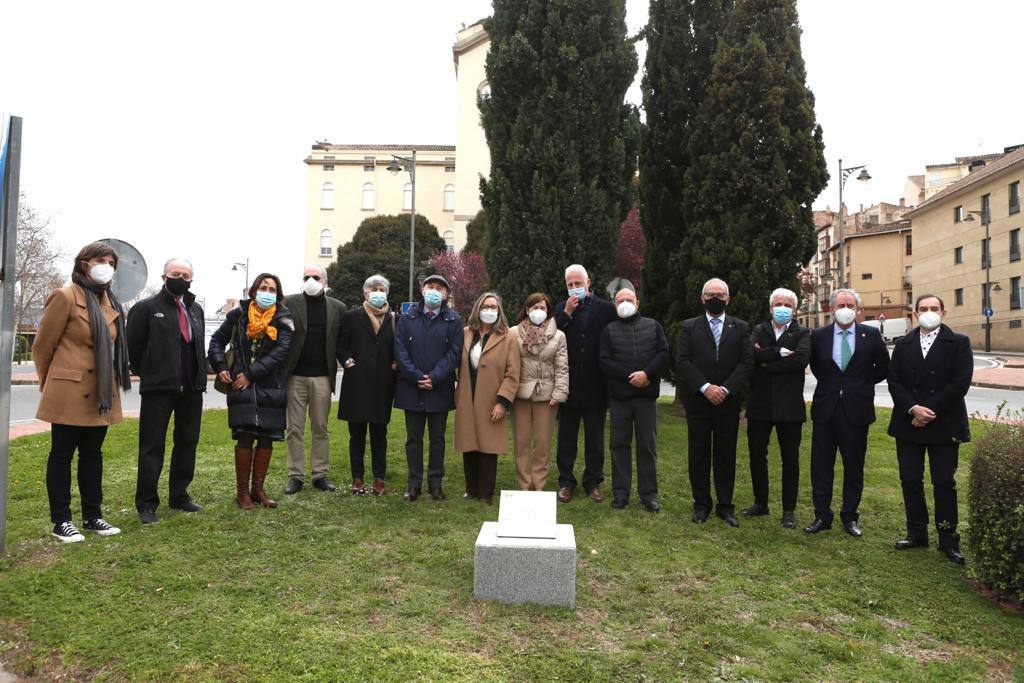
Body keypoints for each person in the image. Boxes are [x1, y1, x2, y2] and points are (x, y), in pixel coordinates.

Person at [33, 241, 131, 542]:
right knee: (61, 455)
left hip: (100, 392)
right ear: (83, 263)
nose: (107, 267)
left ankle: (93, 516)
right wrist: (50, 384)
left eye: (111, 263)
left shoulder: (110, 303)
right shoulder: (64, 297)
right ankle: (61, 520)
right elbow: (41, 347)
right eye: (101, 260)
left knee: (93, 454)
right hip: (68, 390)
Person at [887, 294, 972, 564]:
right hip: (908, 422)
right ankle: (916, 533)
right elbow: (894, 381)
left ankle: (948, 539)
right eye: (923, 308)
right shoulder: (903, 344)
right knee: (910, 479)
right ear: (915, 313)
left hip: (944, 422)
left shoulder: (958, 343)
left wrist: (927, 412)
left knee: (944, 482)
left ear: (944, 313)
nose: (929, 312)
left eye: (934, 308)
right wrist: (913, 409)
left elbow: (959, 383)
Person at [127, 258, 207, 525]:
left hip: (192, 388)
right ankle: (147, 504)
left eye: (186, 274)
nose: (181, 278)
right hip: (158, 389)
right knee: (152, 446)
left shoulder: (195, 309)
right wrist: (150, 372)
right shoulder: (146, 308)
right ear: (164, 277)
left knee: (187, 443)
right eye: (176, 273)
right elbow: (134, 348)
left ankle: (179, 496)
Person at [805, 288, 889, 537]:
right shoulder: (818, 336)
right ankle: (822, 515)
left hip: (857, 409)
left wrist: (858, 385)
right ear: (831, 308)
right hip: (826, 409)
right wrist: (835, 387)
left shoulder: (871, 334)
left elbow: (883, 367)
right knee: (821, 465)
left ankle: (850, 516)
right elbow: (817, 367)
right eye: (841, 304)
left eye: (850, 305)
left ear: (858, 309)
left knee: (854, 466)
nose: (845, 308)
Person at [208, 273, 294, 510]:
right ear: (254, 291)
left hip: (270, 387)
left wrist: (251, 375)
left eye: (272, 289)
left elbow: (282, 352)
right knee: (245, 436)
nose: (267, 292)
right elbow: (216, 341)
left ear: (278, 294)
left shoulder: (284, 318)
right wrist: (221, 366)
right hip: (239, 386)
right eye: (263, 287)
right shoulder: (238, 315)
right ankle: (242, 493)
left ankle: (259, 490)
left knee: (267, 438)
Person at [675, 278, 753, 527]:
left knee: (725, 454)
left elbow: (746, 362)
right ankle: (701, 504)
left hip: (727, 403)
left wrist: (726, 389)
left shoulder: (740, 328)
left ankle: (725, 506)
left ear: (728, 298)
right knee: (698, 453)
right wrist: (706, 387)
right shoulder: (689, 327)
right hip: (699, 401)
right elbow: (683, 361)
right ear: (702, 298)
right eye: (710, 294)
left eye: (720, 294)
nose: (715, 298)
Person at [742, 287, 811, 529]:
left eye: (788, 305)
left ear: (794, 309)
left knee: (790, 459)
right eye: (778, 304)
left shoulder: (802, 332)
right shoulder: (758, 330)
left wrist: (766, 362)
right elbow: (750, 355)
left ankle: (789, 509)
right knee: (757, 457)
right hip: (760, 405)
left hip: (790, 407)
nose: (783, 308)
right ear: (770, 308)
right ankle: (761, 503)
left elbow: (801, 360)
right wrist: (779, 353)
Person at [598, 287, 669, 512]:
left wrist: (647, 374)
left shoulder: (653, 326)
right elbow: (604, 360)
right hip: (620, 398)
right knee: (619, 445)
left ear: (637, 302)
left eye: (629, 299)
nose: (625, 303)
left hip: (646, 398)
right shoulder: (608, 330)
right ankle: (621, 493)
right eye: (620, 300)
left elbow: (663, 353)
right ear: (614, 305)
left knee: (647, 446)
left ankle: (649, 494)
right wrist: (629, 376)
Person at [393, 274, 463, 501]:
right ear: (422, 290)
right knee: (413, 439)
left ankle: (435, 484)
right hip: (411, 388)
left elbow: (454, 353)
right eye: (430, 286)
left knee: (437, 439)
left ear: (446, 294)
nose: (435, 291)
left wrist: (434, 377)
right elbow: (400, 350)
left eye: (440, 288)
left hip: (439, 389)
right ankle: (414, 484)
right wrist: (416, 376)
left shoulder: (453, 320)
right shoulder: (407, 318)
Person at [553, 264, 617, 503]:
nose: (574, 288)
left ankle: (593, 482)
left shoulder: (606, 309)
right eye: (570, 284)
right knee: (566, 439)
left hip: (596, 384)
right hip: (569, 385)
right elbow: (553, 335)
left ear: (588, 283)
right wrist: (567, 312)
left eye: (578, 283)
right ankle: (566, 482)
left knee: (595, 440)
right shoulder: (561, 308)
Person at [281, 265, 346, 495]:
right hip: (295, 377)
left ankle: (320, 474)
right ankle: (295, 475)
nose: (310, 280)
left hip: (322, 378)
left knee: (321, 427)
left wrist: (348, 360)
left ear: (325, 281)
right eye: (306, 277)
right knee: (294, 429)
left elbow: (341, 342)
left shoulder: (338, 307)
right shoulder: (289, 303)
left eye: (315, 277)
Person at [454, 293, 521, 504]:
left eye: (494, 307)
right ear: (478, 309)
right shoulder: (466, 333)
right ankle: (471, 488)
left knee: (488, 445)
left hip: (492, 398)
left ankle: (486, 493)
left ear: (499, 311)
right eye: (486, 306)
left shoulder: (508, 336)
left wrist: (503, 401)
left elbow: (513, 372)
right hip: (467, 395)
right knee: (469, 442)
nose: (489, 311)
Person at [337, 274, 397, 495]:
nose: (378, 292)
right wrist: (347, 361)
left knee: (380, 435)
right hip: (357, 384)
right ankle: (358, 478)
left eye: (382, 289)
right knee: (357, 435)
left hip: (382, 385)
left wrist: (395, 363)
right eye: (374, 289)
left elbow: (396, 347)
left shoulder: (393, 318)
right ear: (365, 293)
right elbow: (340, 346)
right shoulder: (352, 317)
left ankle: (379, 478)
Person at [509, 292, 568, 491]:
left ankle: (539, 485)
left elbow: (562, 367)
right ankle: (524, 485)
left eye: (542, 308)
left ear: (548, 312)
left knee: (542, 445)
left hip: (547, 396)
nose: (538, 311)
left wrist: (559, 393)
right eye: (535, 307)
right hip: (520, 395)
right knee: (521, 443)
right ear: (527, 309)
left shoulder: (559, 336)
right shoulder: (513, 333)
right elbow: (509, 364)